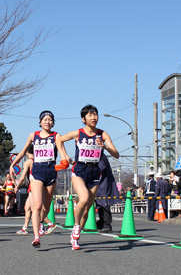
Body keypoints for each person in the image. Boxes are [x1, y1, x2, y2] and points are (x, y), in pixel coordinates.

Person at [57, 105, 119, 250]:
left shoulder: (103, 134)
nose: (94, 117)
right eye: (90, 115)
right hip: (79, 169)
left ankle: (76, 237)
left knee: (87, 208)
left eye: (95, 114)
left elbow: (116, 154)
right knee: (83, 199)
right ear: (83, 119)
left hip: (94, 171)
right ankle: (76, 227)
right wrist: (65, 157)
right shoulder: (78, 133)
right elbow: (59, 140)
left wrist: (105, 147)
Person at [10, 110, 69, 248]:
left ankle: (42, 223)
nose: (47, 121)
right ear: (40, 121)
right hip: (37, 172)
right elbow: (24, 151)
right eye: (45, 119)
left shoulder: (56, 136)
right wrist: (13, 164)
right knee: (36, 205)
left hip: (51, 172)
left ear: (53, 122)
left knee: (46, 207)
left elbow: (62, 153)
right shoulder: (33, 135)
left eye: (50, 119)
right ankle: (36, 237)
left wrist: (66, 161)